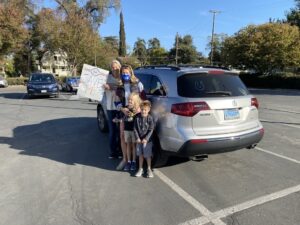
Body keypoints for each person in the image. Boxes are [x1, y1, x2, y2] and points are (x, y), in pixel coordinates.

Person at [116, 65, 144, 170]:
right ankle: (125, 160)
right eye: (123, 73)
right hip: (123, 114)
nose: (125, 75)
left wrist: (140, 109)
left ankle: (134, 161)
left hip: (136, 114)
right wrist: (122, 109)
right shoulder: (119, 86)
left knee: (135, 138)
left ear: (131, 73)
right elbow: (116, 101)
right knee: (123, 137)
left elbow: (143, 99)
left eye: (127, 73)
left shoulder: (138, 84)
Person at [103, 59, 122, 159]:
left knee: (121, 131)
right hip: (111, 107)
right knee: (112, 131)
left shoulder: (123, 78)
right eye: (113, 67)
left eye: (116, 67)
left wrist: (111, 87)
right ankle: (113, 152)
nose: (114, 69)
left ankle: (120, 151)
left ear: (120, 67)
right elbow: (94, 85)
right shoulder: (106, 78)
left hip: (121, 107)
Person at [134, 100, 155, 178]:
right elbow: (135, 129)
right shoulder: (137, 118)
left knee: (147, 155)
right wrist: (137, 138)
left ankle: (149, 169)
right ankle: (140, 169)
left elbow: (151, 129)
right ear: (140, 109)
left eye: (145, 110)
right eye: (142, 109)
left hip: (147, 141)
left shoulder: (150, 118)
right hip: (139, 140)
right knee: (140, 155)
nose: (143, 111)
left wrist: (146, 139)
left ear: (148, 110)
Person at [122, 92, 141, 171]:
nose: (129, 101)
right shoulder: (126, 108)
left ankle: (133, 161)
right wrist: (123, 109)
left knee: (134, 146)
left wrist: (136, 111)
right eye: (129, 100)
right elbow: (121, 109)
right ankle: (128, 161)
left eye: (131, 100)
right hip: (127, 130)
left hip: (134, 131)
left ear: (136, 101)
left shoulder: (138, 109)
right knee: (128, 146)